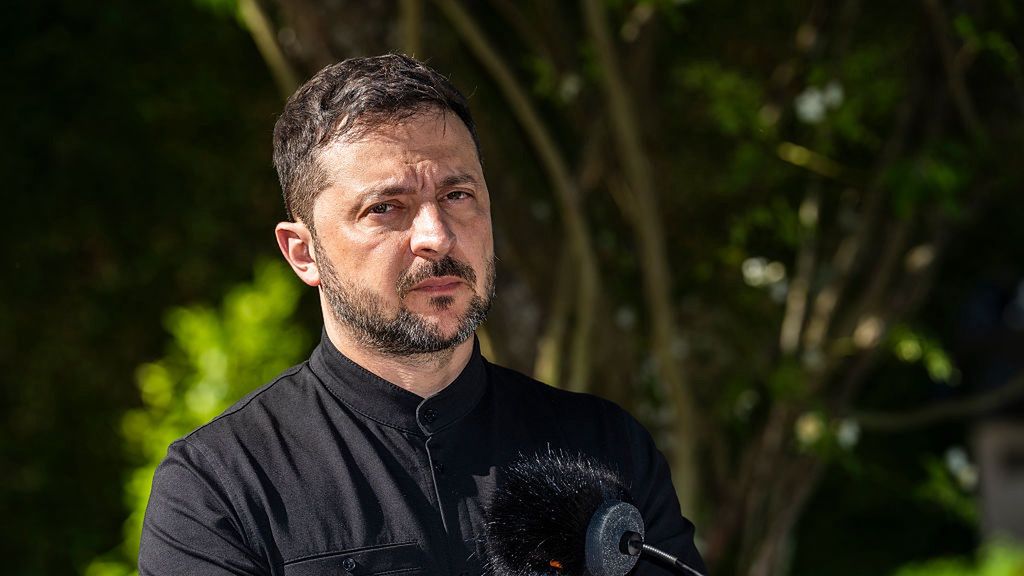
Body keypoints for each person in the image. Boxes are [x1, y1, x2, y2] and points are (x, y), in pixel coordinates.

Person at [139, 54, 704, 576]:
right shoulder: (221, 487)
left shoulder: (604, 447)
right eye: (386, 209)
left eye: (458, 195)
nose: (435, 236)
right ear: (304, 253)